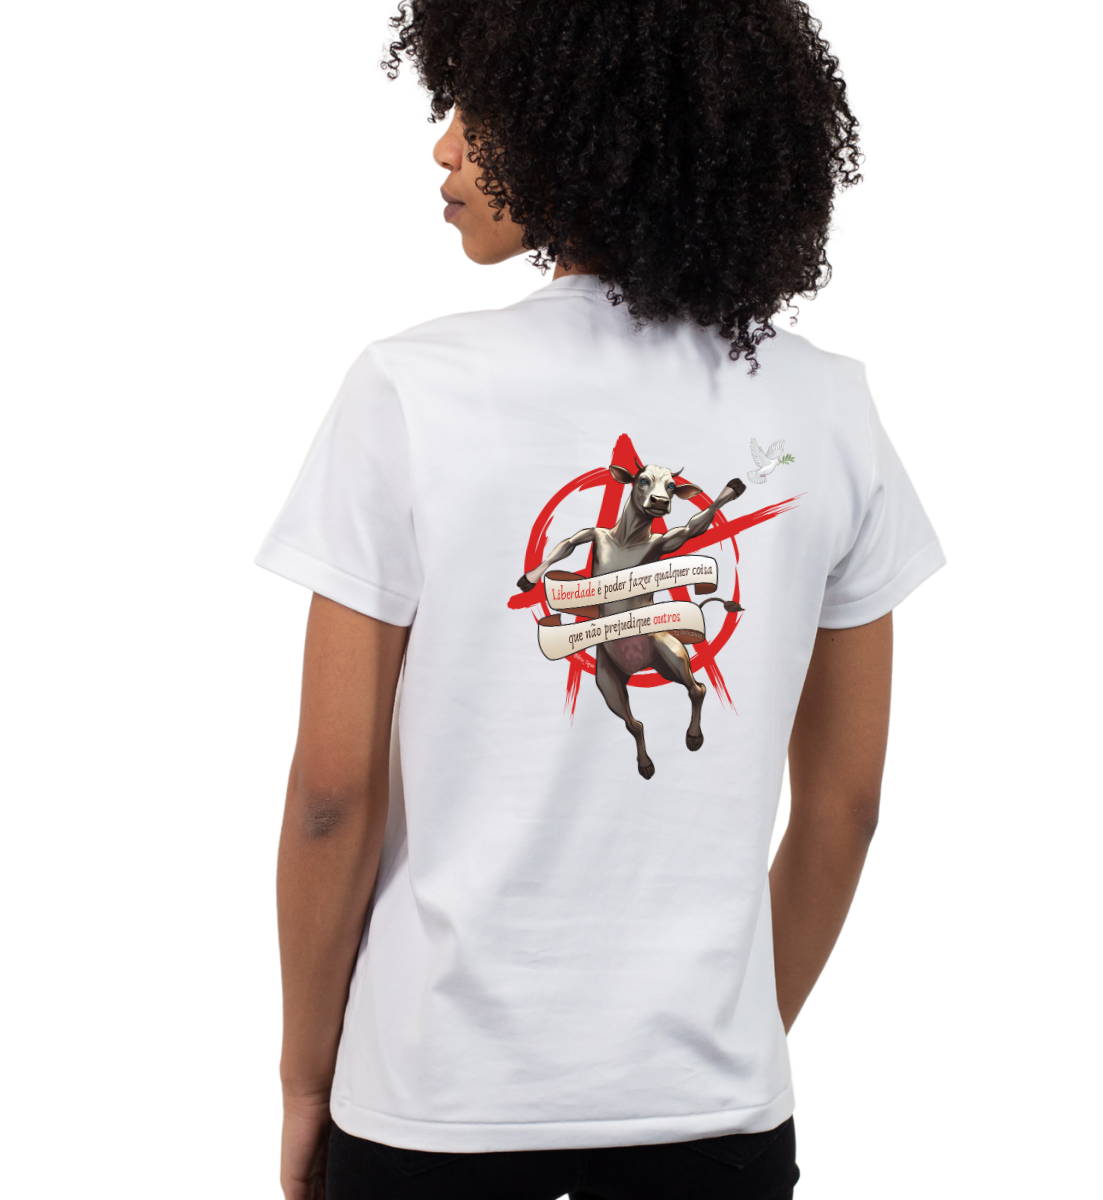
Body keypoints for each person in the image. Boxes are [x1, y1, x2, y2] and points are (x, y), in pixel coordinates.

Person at [257, 2, 944, 1196]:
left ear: (577, 121)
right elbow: (846, 806)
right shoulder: (829, 408)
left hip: (434, 1112)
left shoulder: (410, 391)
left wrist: (305, 1082)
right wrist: (719, 1049)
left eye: (478, 108)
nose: (444, 146)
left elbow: (331, 796)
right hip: (714, 1121)